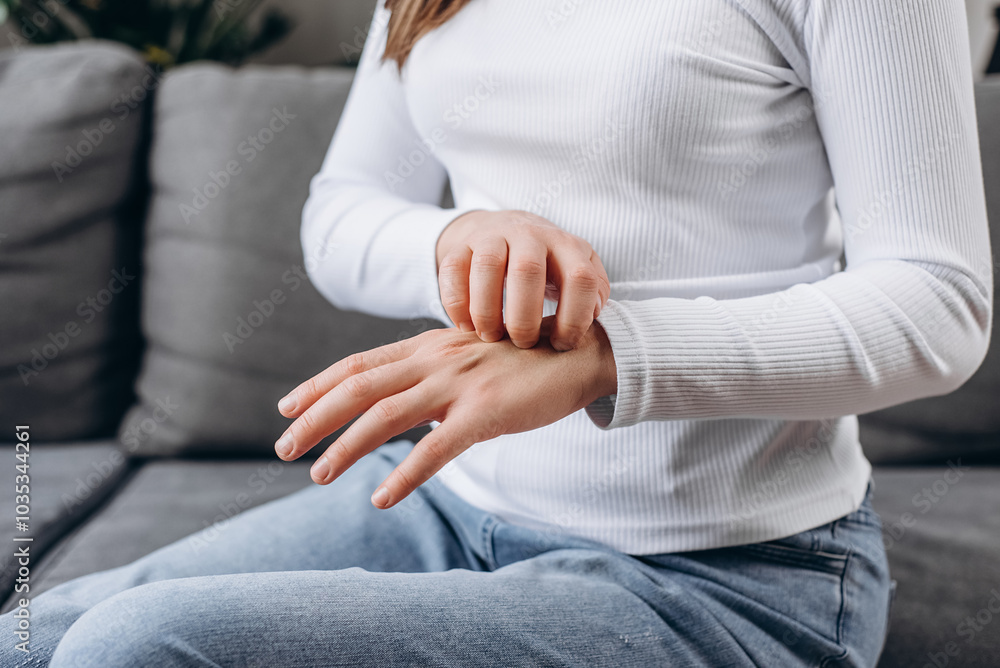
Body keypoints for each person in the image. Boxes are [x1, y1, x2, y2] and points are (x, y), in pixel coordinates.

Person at [3, 0, 992, 666]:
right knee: (32, 636)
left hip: (726, 575)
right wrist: (457, 237)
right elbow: (340, 212)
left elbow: (937, 306)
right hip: (446, 506)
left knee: (136, 644)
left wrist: (609, 354)